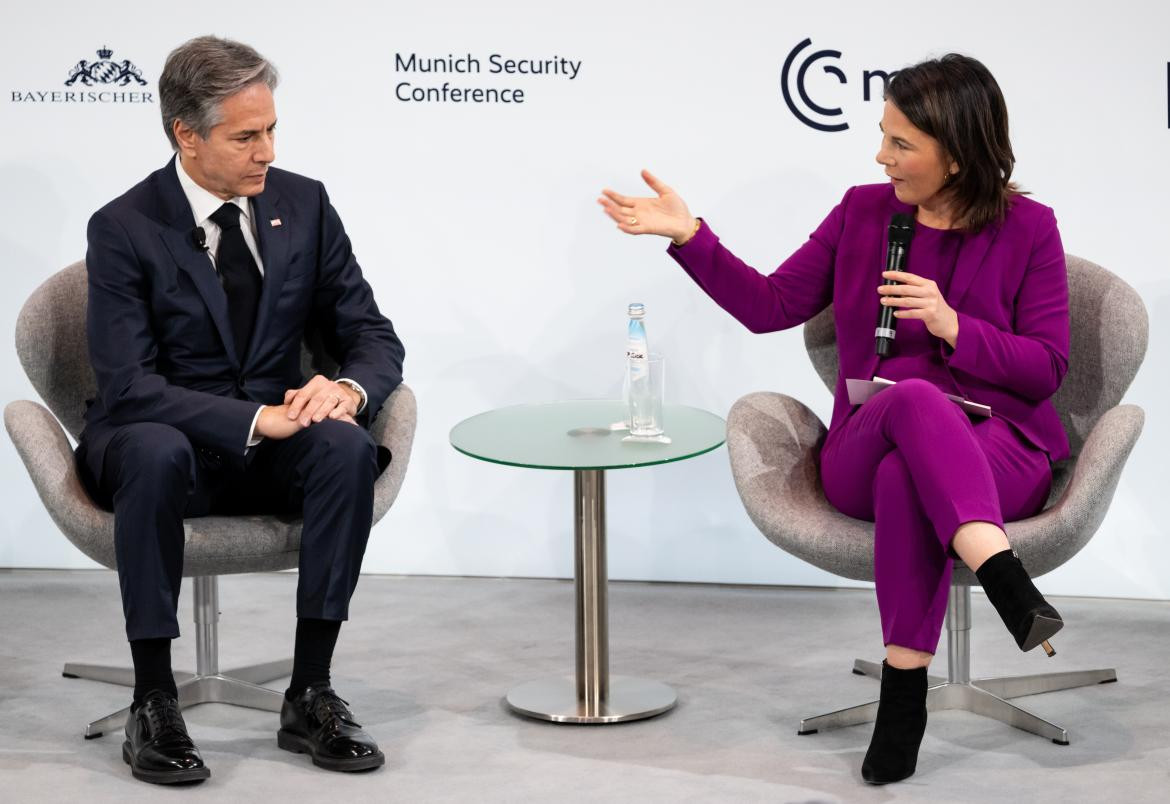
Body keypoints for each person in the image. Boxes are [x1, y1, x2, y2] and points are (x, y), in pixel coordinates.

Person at [599, 54, 1069, 784]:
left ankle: (902, 700)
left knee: (904, 477)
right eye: (883, 136)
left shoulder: (1029, 229)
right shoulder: (864, 212)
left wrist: (953, 326)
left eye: (901, 143)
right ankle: (1003, 574)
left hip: (996, 451)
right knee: (912, 400)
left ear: (958, 151)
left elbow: (1046, 370)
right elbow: (770, 307)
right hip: (866, 435)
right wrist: (689, 234)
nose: (881, 156)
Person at [76, 36, 405, 784]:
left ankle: (310, 691)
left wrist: (344, 390)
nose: (266, 152)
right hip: (162, 446)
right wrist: (255, 421)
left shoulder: (304, 204)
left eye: (272, 130)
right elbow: (127, 385)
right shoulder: (124, 226)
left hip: (270, 445)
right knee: (156, 449)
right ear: (185, 135)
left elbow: (370, 335)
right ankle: (153, 701)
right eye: (246, 136)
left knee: (346, 447)